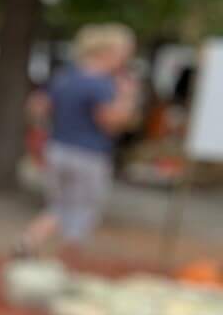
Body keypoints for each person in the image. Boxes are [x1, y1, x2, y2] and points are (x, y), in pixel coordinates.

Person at [19, 23, 140, 256]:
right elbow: (111, 121)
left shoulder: (66, 76)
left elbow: (37, 106)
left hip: (57, 149)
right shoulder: (102, 84)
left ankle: (29, 242)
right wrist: (127, 97)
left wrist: (44, 132)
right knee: (81, 213)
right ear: (108, 52)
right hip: (89, 154)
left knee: (59, 207)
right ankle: (61, 262)